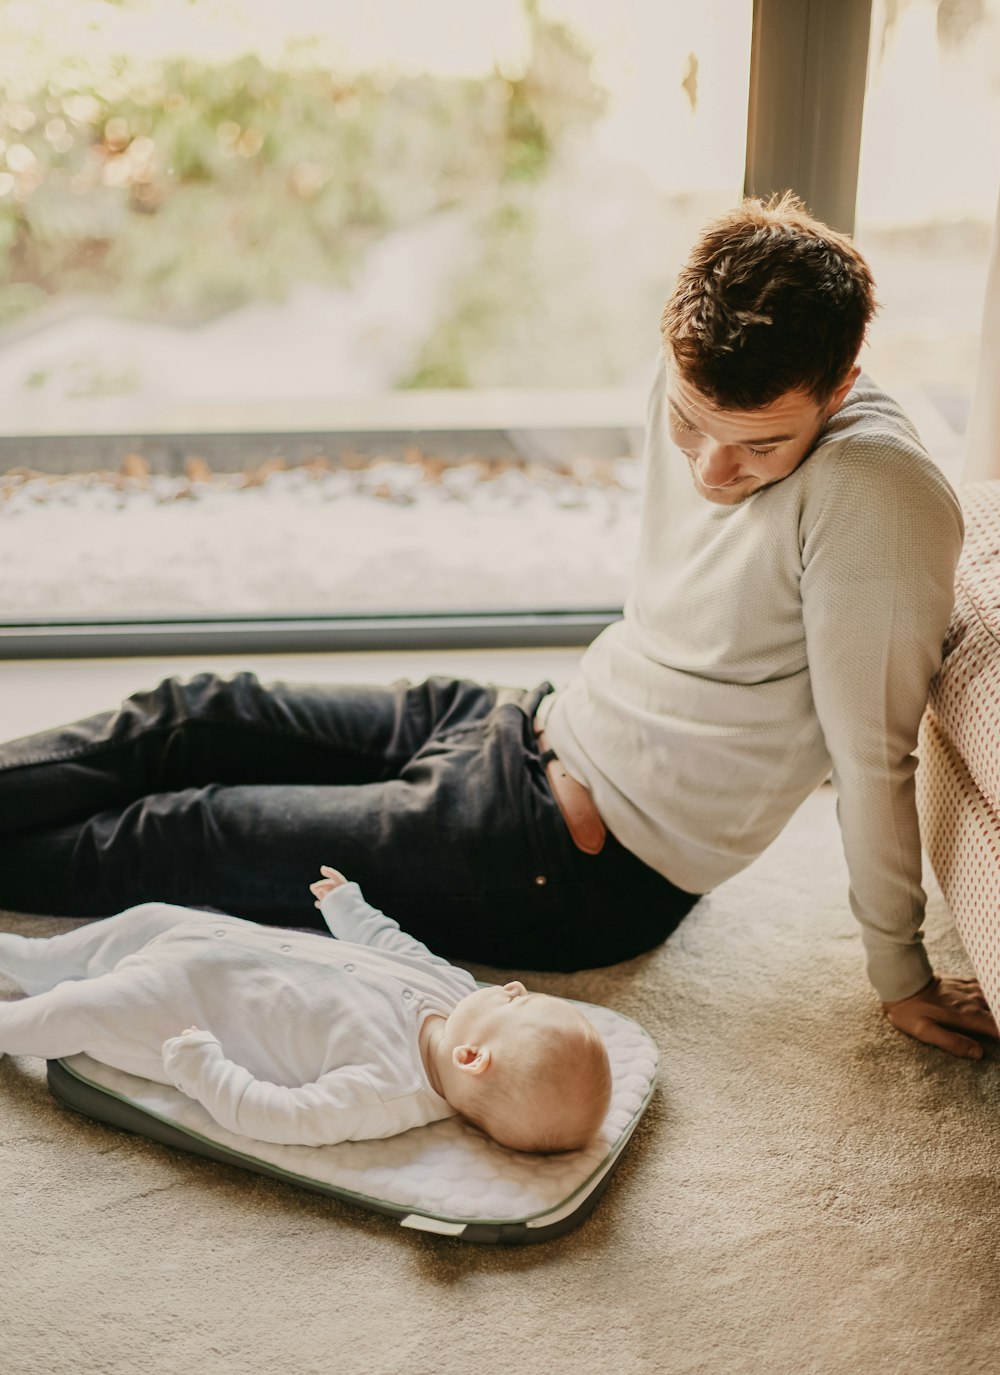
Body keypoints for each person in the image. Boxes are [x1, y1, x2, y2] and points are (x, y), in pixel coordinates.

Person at [1, 194, 996, 1063]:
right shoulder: (695, 372)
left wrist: (897, 971)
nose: (711, 472)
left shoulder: (877, 498)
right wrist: (720, 431)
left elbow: (873, 759)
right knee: (195, 711)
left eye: (761, 446)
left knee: (190, 829)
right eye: (692, 424)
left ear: (844, 379)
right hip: (517, 721)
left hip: (561, 858)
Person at [0, 865, 612, 1154]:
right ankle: (31, 957)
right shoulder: (453, 992)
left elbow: (281, 1115)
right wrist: (352, 911)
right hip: (215, 944)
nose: (513, 988)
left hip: (180, 1009)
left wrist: (206, 1070)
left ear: (472, 1057)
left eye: (516, 1003)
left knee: (72, 1014)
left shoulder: (383, 1094)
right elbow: (398, 948)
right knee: (144, 919)